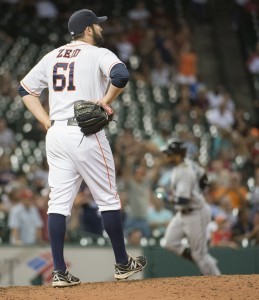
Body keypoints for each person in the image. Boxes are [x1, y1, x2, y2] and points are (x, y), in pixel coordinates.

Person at [18, 9, 146, 287]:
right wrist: (105, 100)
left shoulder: (52, 56)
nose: (100, 29)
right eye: (97, 26)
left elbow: (25, 90)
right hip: (85, 132)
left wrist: (46, 121)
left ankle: (60, 272)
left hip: (57, 134)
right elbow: (121, 76)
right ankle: (123, 263)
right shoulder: (99, 54)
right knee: (109, 199)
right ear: (88, 30)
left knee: (58, 203)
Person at [160, 138, 221, 275]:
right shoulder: (188, 163)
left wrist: (166, 198)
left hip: (196, 213)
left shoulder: (184, 172)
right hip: (183, 213)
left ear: (178, 155)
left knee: (200, 255)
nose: (166, 156)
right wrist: (197, 191)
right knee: (169, 242)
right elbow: (204, 178)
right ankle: (199, 258)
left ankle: (218, 281)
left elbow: (182, 200)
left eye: (169, 153)